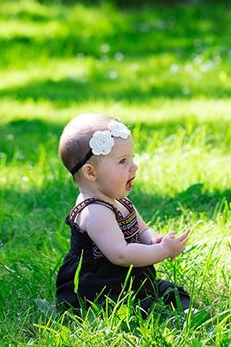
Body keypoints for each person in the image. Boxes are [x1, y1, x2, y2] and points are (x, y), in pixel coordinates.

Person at [55, 113, 191, 312]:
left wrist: (155, 240)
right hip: (99, 288)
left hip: (128, 280)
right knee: (135, 307)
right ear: (91, 172)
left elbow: (143, 230)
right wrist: (163, 251)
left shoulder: (121, 201)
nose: (134, 166)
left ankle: (183, 310)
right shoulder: (94, 211)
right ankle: (161, 313)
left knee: (169, 291)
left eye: (132, 158)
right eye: (122, 161)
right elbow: (121, 254)